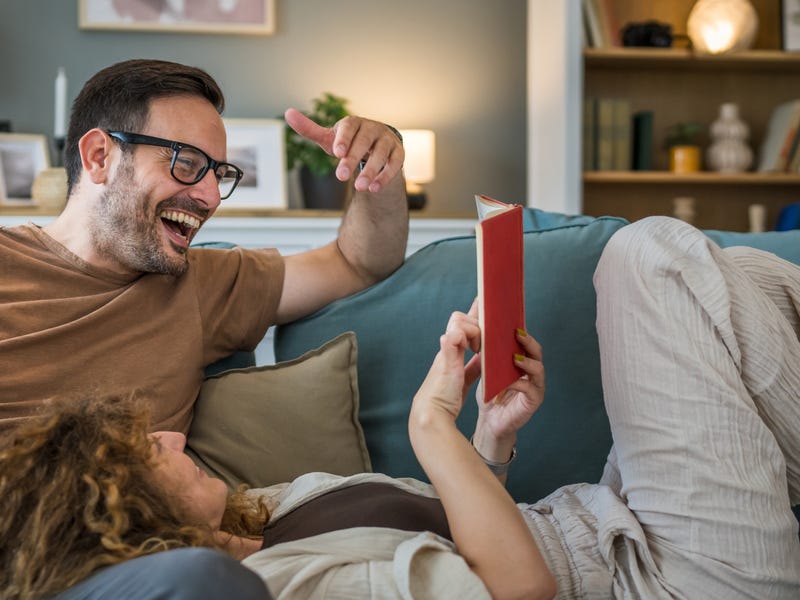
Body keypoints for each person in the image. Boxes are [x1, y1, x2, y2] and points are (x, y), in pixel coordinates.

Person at [3, 215, 800, 598]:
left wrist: (488, 441)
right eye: (151, 454)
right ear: (130, 515)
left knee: (743, 285)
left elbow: (454, 533)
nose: (175, 435)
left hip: (605, 516)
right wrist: (430, 425)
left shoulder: (259, 514)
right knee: (647, 257)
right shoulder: (292, 586)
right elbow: (518, 591)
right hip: (655, 581)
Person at [0, 58, 408, 437]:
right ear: (99, 156)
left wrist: (376, 165)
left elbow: (360, 261)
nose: (211, 197)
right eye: (187, 163)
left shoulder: (201, 286)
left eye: (218, 173)